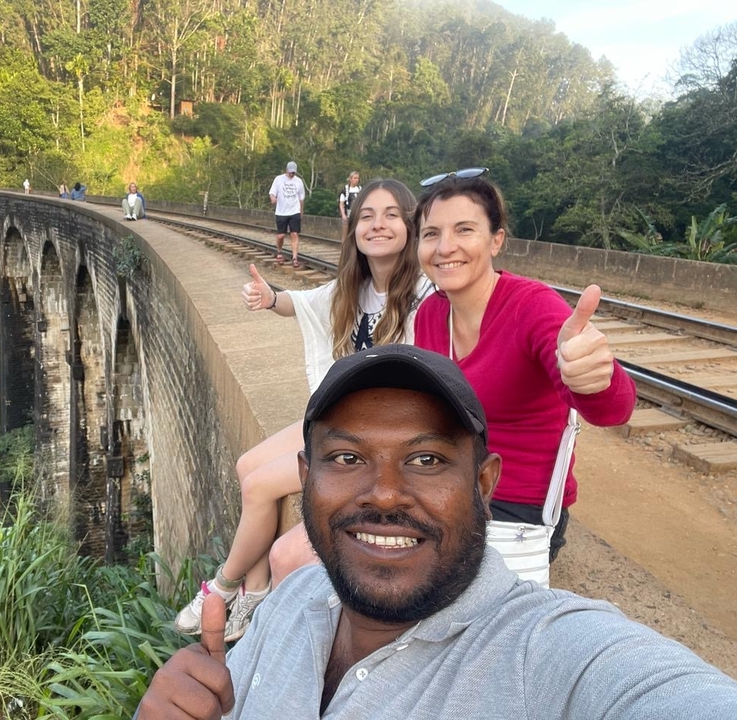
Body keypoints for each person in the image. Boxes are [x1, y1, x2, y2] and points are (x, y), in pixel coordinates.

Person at [137, 345, 737, 719]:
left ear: (484, 483)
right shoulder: (291, 602)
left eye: (426, 460)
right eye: (347, 458)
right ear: (306, 478)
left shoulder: (548, 654)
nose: (386, 492)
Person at [269, 169, 636, 582]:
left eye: (464, 230)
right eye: (431, 234)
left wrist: (592, 377)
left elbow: (613, 410)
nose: (446, 248)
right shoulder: (431, 314)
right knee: (309, 558)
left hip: (515, 512)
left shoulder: (532, 308)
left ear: (496, 239)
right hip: (442, 491)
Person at [173, 179, 433, 643]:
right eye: (368, 216)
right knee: (246, 465)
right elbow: (305, 304)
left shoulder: (426, 295)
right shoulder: (354, 288)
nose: (378, 224)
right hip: (342, 423)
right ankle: (254, 592)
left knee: (258, 486)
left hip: (376, 442)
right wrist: (271, 298)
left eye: (392, 214)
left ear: (412, 226)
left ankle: (222, 586)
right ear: (353, 229)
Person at [268, 161, 306, 267]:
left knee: (294, 234)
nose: (292, 174)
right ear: (286, 170)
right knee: (281, 236)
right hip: (281, 212)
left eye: (293, 172)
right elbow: (272, 192)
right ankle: (279, 251)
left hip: (294, 211)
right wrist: (273, 198)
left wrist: (301, 212)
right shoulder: (278, 179)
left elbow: (301, 199)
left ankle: (294, 257)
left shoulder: (299, 182)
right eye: (290, 172)